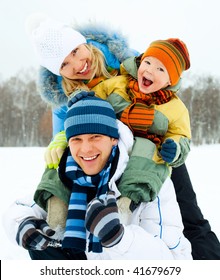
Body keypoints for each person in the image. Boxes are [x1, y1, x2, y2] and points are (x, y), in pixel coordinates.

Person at [24, 14, 220, 259]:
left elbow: (166, 86)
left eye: (75, 51)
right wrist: (60, 141)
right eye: (64, 64)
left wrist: (172, 142)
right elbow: (67, 135)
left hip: (155, 148)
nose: (76, 65)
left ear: (84, 42)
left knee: (187, 211)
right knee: (122, 216)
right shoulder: (64, 98)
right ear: (58, 72)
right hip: (109, 157)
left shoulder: (128, 60)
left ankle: (209, 263)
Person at [3, 92, 192, 260]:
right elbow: (20, 210)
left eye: (95, 137)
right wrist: (23, 226)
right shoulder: (66, 172)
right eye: (77, 139)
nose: (85, 149)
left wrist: (119, 239)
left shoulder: (149, 180)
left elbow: (175, 260)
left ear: (113, 139)